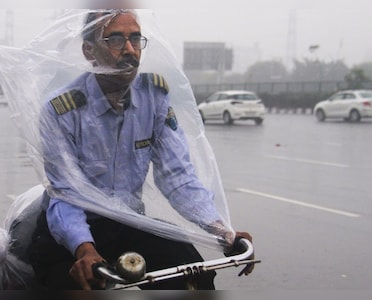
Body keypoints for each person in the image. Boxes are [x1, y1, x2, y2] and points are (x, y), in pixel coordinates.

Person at [26, 9, 255, 290]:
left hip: (129, 222)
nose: (130, 50)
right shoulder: (62, 110)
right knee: (77, 285)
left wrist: (221, 231)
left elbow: (178, 177)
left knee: (194, 277)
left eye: (136, 39)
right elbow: (66, 192)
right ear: (90, 51)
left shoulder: (153, 98)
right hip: (72, 234)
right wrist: (84, 249)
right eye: (116, 40)